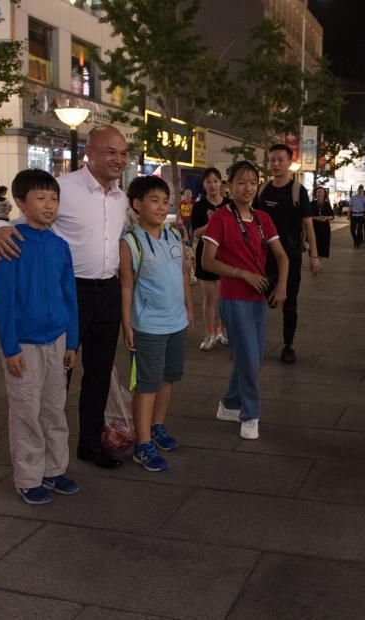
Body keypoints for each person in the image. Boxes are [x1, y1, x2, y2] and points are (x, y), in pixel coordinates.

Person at [0, 125, 131, 470]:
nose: (118, 159)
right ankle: (44, 456)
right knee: (58, 375)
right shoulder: (63, 188)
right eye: (110, 151)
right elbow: (17, 223)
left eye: (124, 153)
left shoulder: (121, 198)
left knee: (99, 371)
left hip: (107, 292)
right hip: (68, 294)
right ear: (89, 152)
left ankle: (90, 444)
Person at [0, 169, 79, 505]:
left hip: (56, 339)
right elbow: (2, 299)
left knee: (55, 407)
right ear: (20, 203)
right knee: (26, 408)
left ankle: (55, 469)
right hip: (23, 343)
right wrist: (9, 347)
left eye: (54, 198)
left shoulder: (59, 246)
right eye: (40, 198)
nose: (49, 205)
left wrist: (72, 341)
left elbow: (69, 294)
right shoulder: (11, 242)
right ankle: (28, 476)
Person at [202, 161, 289, 440]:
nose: (248, 187)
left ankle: (229, 403)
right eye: (241, 182)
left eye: (253, 182)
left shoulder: (263, 218)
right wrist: (242, 274)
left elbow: (282, 256)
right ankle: (250, 414)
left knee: (253, 356)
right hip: (233, 298)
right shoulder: (220, 218)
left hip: (258, 299)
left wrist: (282, 287)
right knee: (249, 358)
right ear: (229, 186)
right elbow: (208, 261)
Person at [119, 176, 194, 472]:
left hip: (176, 322)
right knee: (147, 384)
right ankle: (143, 443)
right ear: (137, 205)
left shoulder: (174, 236)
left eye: (166, 202)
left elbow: (183, 276)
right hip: (148, 326)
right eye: (155, 200)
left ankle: (158, 427)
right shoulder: (131, 242)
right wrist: (127, 325)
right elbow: (125, 287)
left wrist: (189, 309)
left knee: (168, 378)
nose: (163, 207)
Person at [255, 144, 321, 364]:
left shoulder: (297, 190)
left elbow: (307, 224)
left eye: (280, 160)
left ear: (289, 162)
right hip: (264, 257)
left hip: (291, 256)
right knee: (256, 300)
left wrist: (314, 255)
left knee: (290, 303)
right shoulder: (263, 189)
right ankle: (253, 344)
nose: (275, 164)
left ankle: (288, 345)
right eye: (272, 160)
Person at [192, 168, 229, 351]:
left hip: (227, 255)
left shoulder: (230, 204)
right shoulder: (199, 206)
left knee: (224, 297)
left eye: (216, 181)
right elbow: (196, 233)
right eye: (208, 181)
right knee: (209, 298)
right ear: (204, 184)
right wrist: (211, 223)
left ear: (221, 183)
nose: (212, 185)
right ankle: (209, 333)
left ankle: (222, 330)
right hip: (205, 254)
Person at [311, 186, 335, 258]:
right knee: (314, 247)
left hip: (325, 229)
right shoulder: (311, 204)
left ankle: (318, 264)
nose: (320, 194)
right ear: (315, 194)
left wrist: (326, 218)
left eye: (321, 192)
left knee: (323, 249)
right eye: (318, 192)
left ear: (324, 194)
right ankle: (314, 262)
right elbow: (307, 216)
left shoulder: (327, 204)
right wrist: (316, 218)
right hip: (314, 228)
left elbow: (332, 216)